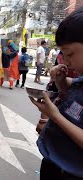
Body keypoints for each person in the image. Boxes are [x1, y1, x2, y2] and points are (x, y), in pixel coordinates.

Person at [30, 7, 83, 179]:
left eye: (69, 53)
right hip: (53, 163)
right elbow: (74, 90)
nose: (65, 61)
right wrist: (61, 81)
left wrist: (55, 117)